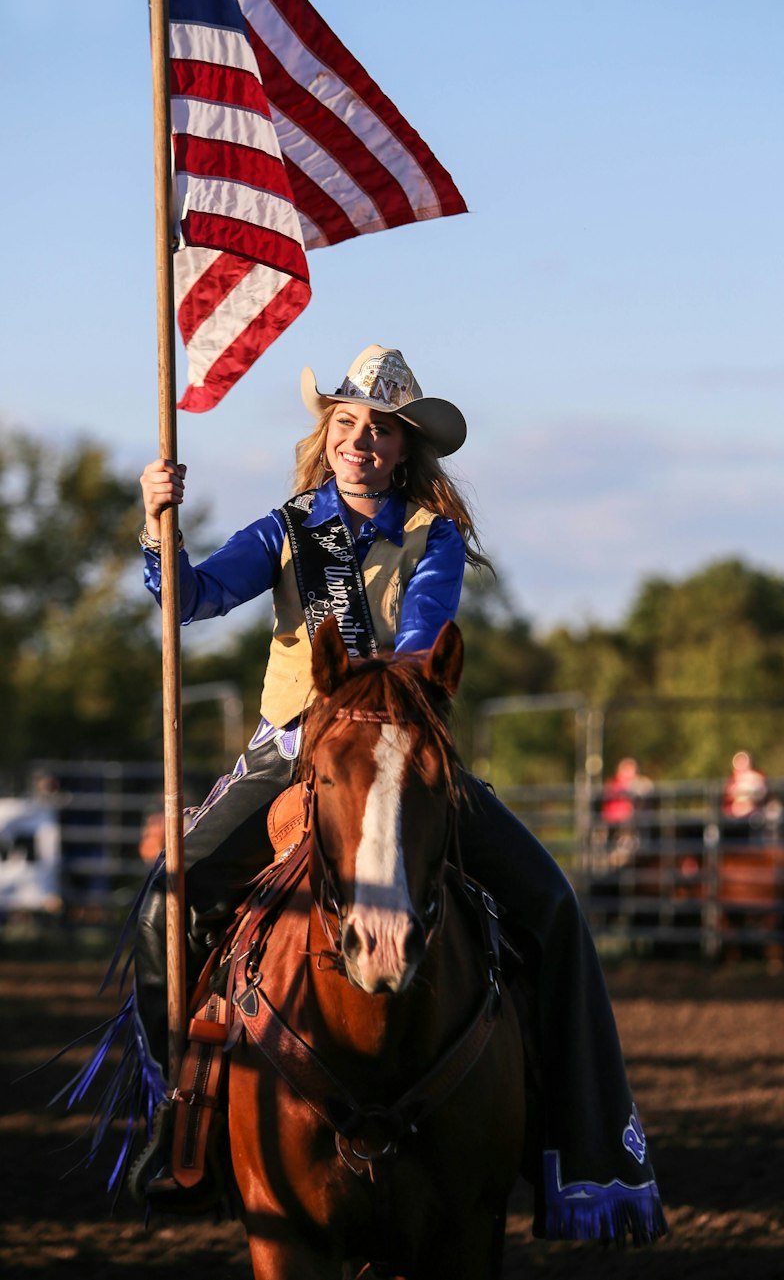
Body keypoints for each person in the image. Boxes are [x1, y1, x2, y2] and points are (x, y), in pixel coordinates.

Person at [130, 344, 664, 1244]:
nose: (361, 440)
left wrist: (381, 713)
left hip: (401, 743)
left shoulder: (435, 534)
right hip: (290, 751)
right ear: (327, 435)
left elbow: (422, 634)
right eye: (347, 423)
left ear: (405, 447)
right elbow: (192, 596)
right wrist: (158, 529)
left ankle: (580, 1150)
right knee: (163, 907)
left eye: (379, 428)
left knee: (555, 905)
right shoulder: (287, 528)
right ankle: (182, 1121)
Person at [721, 749, 768, 820]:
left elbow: (763, 792)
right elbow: (728, 795)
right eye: (739, 761)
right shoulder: (732, 779)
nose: (741, 764)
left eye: (743, 761)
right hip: (735, 811)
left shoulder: (757, 776)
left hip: (754, 810)